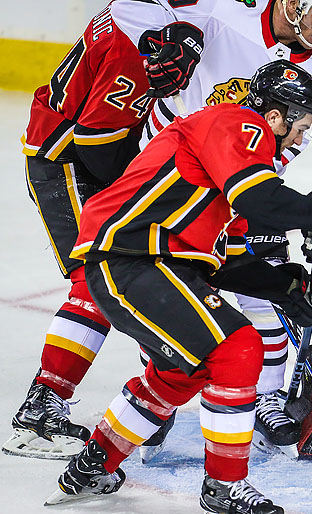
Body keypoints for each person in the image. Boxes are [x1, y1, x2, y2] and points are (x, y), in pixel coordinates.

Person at [44, 61, 312, 514]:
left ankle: (93, 464)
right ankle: (224, 493)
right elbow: (261, 201)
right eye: (301, 125)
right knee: (238, 347)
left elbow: (225, 263)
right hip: (133, 259)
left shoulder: (228, 167)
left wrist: (287, 288)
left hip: (152, 264)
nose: (300, 138)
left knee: (184, 372)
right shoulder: (236, 124)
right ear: (274, 115)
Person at [111, 0, 312, 458]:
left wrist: (269, 209)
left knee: (262, 284)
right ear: (291, 4)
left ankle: (265, 398)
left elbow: (280, 155)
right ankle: (152, 404)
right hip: (166, 181)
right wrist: (157, 47)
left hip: (236, 189)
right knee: (171, 301)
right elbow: (130, 9)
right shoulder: (220, 16)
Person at [5, 3, 205, 459]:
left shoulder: (146, 12)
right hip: (67, 163)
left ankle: (67, 402)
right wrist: (135, 194)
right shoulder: (136, 41)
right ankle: (40, 412)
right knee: (97, 279)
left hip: (75, 153)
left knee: (119, 274)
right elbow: (96, 141)